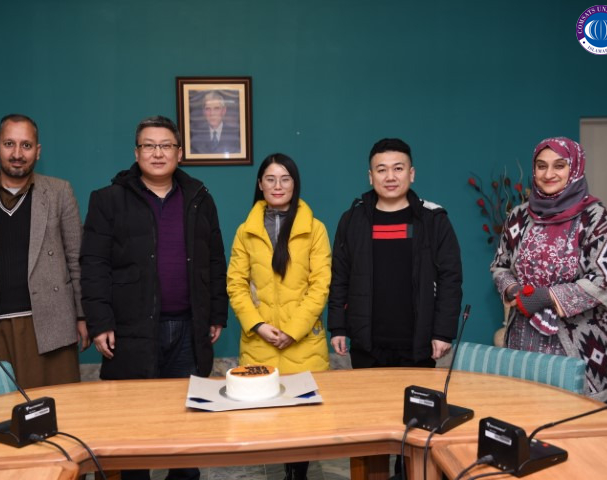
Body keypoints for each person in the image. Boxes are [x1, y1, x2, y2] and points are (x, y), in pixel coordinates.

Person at [80, 115, 228, 480]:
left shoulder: (200, 198)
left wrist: (216, 313)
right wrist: (99, 322)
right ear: (136, 152)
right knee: (133, 429)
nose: (157, 153)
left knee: (186, 425)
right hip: (130, 331)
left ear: (179, 152)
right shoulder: (108, 200)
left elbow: (214, 259)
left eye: (166, 146)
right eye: (149, 145)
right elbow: (94, 265)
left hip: (188, 330)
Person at [0, 113, 89, 388]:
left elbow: (77, 260)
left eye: (26, 145)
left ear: (38, 151)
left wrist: (83, 315)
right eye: (9, 144)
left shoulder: (59, 192)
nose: (17, 154)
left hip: (51, 326)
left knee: (59, 406)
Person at [491, 137, 607, 403]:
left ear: (574, 168)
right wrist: (514, 290)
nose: (548, 174)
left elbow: (606, 279)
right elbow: (500, 264)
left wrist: (545, 297)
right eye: (541, 166)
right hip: (524, 341)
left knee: (583, 420)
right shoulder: (518, 216)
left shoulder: (597, 218)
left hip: (583, 345)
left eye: (559, 165)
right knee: (526, 412)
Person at [227, 153, 331, 480]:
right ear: (260, 184)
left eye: (285, 179)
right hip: (261, 340)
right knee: (268, 422)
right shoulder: (245, 231)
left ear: (295, 184)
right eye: (270, 179)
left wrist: (293, 330)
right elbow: (235, 284)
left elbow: (320, 284)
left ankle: (297, 475)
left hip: (303, 342)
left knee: (303, 424)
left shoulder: (315, 229)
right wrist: (257, 325)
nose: (278, 185)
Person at [328, 138, 463, 369]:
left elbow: (450, 279)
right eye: (382, 170)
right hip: (366, 344)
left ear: (411, 174)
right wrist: (338, 327)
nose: (390, 177)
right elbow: (340, 276)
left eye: (398, 168)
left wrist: (443, 332)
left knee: (416, 395)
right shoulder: (352, 220)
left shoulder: (433, 219)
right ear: (371, 176)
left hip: (419, 344)